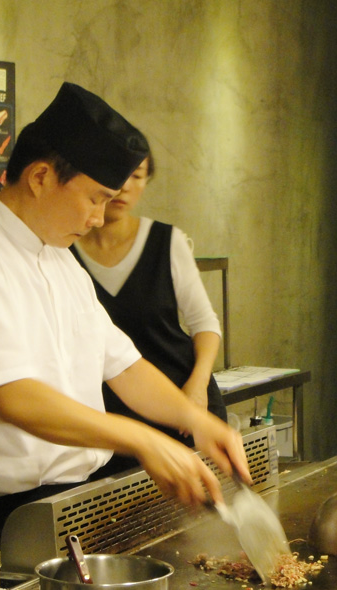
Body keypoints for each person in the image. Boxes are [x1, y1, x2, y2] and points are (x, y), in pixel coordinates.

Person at [0, 82, 250, 577]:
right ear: (41, 177)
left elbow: (124, 366)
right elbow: (17, 398)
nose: (97, 219)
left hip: (66, 514)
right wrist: (142, 439)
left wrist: (196, 421)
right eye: (94, 199)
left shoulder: (60, 260)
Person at [72, 151, 227, 451]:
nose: (124, 186)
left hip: (180, 402)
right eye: (119, 173)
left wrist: (197, 385)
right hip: (111, 416)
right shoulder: (63, 250)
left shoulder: (166, 241)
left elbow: (204, 322)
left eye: (137, 176)